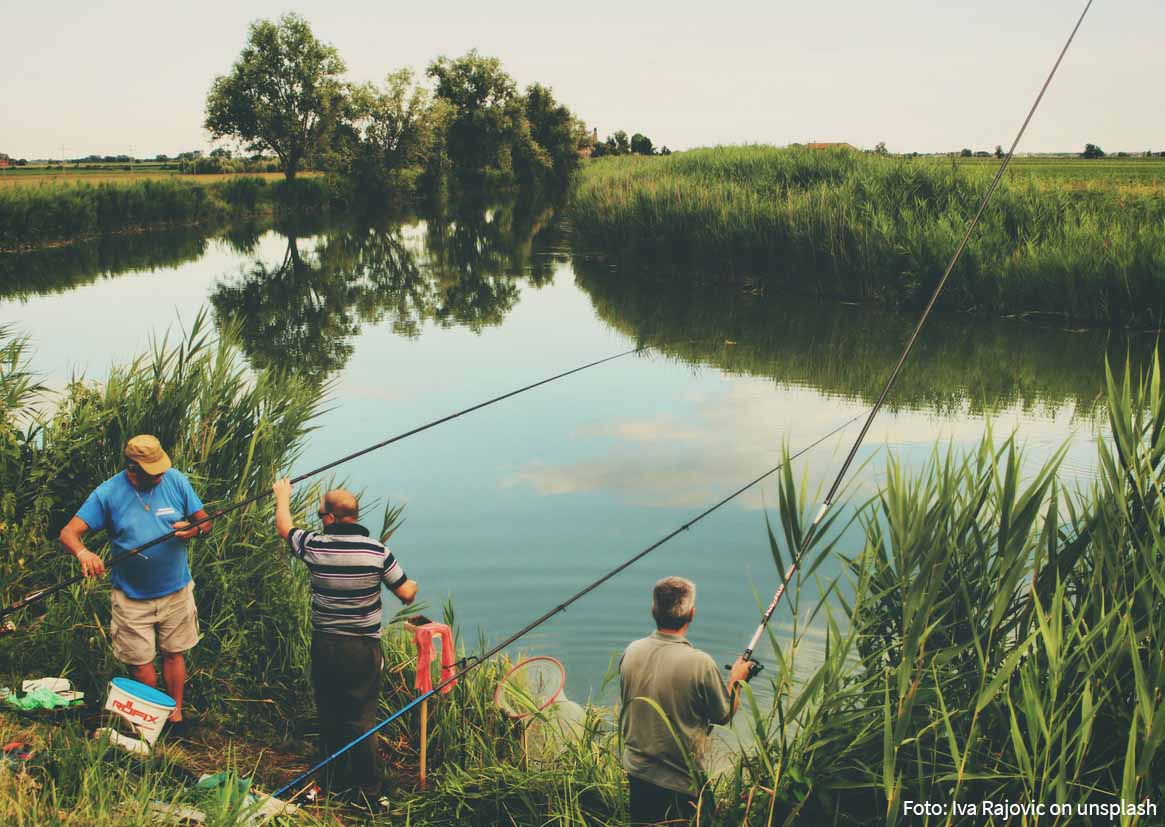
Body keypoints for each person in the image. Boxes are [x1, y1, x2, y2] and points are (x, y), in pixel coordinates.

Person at [272, 478, 418, 805]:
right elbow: (407, 594)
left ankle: (331, 779)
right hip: (362, 648)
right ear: (354, 515)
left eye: (321, 513)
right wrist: (412, 587)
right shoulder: (377, 551)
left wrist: (283, 496)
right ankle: (369, 789)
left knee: (329, 712)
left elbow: (285, 527)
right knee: (361, 717)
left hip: (325, 644)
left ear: (330, 518)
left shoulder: (314, 546)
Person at [60, 434, 210, 728]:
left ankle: (175, 715)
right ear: (133, 468)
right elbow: (68, 533)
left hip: (176, 590)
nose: (160, 476)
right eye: (153, 471)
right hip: (130, 596)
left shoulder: (176, 480)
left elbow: (205, 521)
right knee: (140, 664)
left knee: (174, 653)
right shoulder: (107, 493)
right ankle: (150, 720)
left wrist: (194, 530)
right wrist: (84, 553)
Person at [619, 576, 755, 825]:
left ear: (653, 610)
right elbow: (723, 715)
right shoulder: (699, 662)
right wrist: (736, 680)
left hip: (637, 772)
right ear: (691, 614)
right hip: (681, 782)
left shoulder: (631, 651)